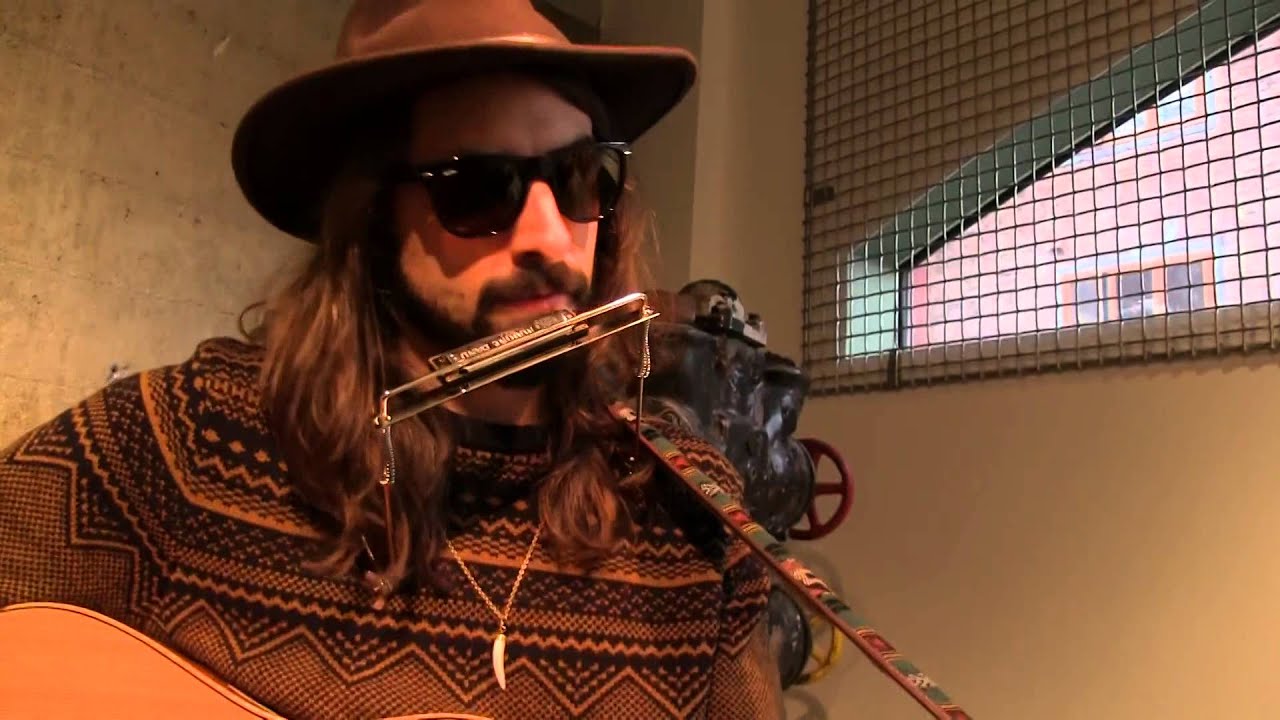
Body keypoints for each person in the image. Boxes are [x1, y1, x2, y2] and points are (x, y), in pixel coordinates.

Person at [0, 1, 784, 718]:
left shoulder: (693, 518)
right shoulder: (187, 443)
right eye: (479, 189)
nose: (550, 238)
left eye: (580, 179)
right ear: (373, 219)